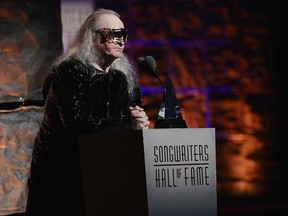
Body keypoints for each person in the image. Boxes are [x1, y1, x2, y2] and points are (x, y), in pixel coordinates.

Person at [25, 8, 150, 215]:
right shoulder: (69, 71)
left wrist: (140, 122)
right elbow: (77, 124)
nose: (120, 41)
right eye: (113, 34)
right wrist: (128, 125)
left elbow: (133, 112)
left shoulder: (124, 74)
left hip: (105, 172)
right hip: (62, 175)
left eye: (123, 34)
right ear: (92, 38)